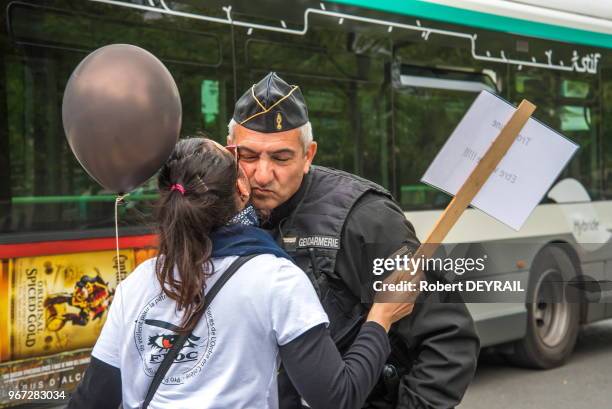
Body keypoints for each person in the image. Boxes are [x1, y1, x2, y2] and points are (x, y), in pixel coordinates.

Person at [68, 137, 414, 409]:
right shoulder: (277, 281)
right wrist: (381, 316)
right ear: (242, 187)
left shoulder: (138, 282)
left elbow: (91, 401)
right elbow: (337, 398)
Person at [228, 72, 481, 409]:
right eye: (247, 156)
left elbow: (449, 339)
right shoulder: (220, 210)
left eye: (280, 158)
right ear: (230, 152)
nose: (261, 174)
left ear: (308, 155)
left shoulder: (365, 218)